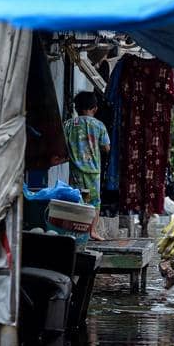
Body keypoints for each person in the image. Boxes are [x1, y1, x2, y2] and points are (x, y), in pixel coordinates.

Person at [63, 90, 111, 240]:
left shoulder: (69, 124)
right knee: (94, 201)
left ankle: (76, 231)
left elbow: (63, 145)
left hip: (75, 170)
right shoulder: (99, 125)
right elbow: (106, 148)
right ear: (95, 108)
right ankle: (92, 231)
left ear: (76, 108)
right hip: (93, 172)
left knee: (76, 199)